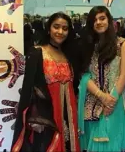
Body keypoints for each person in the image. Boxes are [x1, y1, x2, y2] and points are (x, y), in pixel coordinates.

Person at [11, 12, 80, 152]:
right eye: (56, 27)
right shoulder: (37, 52)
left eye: (65, 28)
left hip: (69, 116)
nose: (60, 32)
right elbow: (28, 89)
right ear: (49, 29)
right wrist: (35, 118)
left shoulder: (69, 54)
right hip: (47, 117)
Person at [77, 6, 125, 152]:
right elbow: (83, 74)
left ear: (110, 20)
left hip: (115, 101)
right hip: (91, 102)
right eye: (94, 20)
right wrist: (102, 97)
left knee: (112, 141)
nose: (98, 22)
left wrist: (110, 101)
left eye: (102, 18)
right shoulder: (87, 45)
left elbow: (124, 74)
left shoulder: (122, 44)